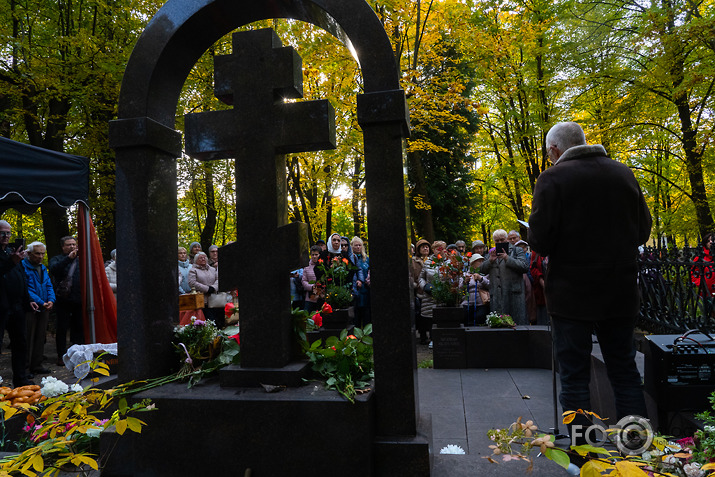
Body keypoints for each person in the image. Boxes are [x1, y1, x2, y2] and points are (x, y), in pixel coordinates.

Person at [528, 121, 652, 436]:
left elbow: (540, 242)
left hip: (572, 296)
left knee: (574, 377)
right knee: (625, 371)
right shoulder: (622, 173)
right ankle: (636, 450)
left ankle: (584, 455)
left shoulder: (552, 178)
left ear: (555, 150)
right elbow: (643, 230)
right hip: (620, 291)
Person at [0, 220, 33, 385]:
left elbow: (22, 278)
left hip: (17, 306)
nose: (6, 236)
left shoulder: (11, 252)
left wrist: (28, 301)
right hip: (1, 306)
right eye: (2, 233)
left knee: (20, 342)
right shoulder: (9, 257)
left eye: (8, 233)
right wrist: (11, 262)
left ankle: (21, 379)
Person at [479, 229, 529, 324]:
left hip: (514, 294)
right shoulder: (491, 254)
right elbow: (481, 270)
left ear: (507, 239)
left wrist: (507, 258)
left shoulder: (517, 250)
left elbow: (524, 267)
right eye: (497, 241)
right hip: (497, 297)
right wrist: (490, 261)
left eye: (502, 240)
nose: (500, 242)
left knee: (517, 323)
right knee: (499, 324)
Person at [49, 236, 83, 366]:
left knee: (78, 328)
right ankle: (61, 355)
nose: (72, 247)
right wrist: (69, 258)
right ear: (63, 247)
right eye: (69, 245)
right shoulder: (57, 259)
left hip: (78, 299)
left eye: (74, 244)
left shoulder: (81, 260)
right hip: (63, 300)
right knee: (62, 328)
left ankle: (77, 354)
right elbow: (54, 270)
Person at [23, 242, 55, 376]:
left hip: (44, 307)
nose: (41, 256)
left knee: (40, 336)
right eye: (37, 253)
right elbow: (26, 289)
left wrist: (51, 300)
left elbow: (49, 285)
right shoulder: (23, 267)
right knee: (28, 337)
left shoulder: (42, 268)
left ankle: (37, 364)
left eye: (43, 253)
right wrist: (42, 302)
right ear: (29, 254)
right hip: (30, 307)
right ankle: (25, 368)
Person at [188, 251, 222, 327]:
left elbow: (218, 279)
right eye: (201, 258)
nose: (203, 259)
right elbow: (192, 283)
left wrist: (213, 288)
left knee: (217, 320)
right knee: (208, 319)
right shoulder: (193, 270)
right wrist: (207, 289)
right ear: (196, 260)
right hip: (202, 300)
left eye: (204, 257)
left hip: (214, 299)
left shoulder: (213, 269)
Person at [411, 239, 431, 344]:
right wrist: (414, 284)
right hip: (419, 292)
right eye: (423, 246)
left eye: (427, 246)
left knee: (431, 315)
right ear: (418, 249)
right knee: (421, 316)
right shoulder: (413, 261)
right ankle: (423, 337)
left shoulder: (433, 260)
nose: (425, 248)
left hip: (431, 292)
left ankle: (432, 336)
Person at [463, 254, 490, 325]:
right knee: (464, 316)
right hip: (467, 302)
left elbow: (489, 285)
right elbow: (460, 287)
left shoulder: (486, 274)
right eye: (479, 261)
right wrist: (465, 281)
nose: (481, 263)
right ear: (473, 263)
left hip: (481, 302)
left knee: (480, 317)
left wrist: (481, 278)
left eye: (482, 261)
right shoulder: (465, 274)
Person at [350, 236, 370, 328]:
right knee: (356, 319)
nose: (358, 247)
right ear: (352, 246)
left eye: (360, 245)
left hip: (366, 292)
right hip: (355, 292)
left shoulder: (367, 259)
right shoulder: (350, 259)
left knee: (367, 318)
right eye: (356, 245)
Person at [691, 232, 715, 300]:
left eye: (713, 240)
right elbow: (693, 274)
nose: (710, 242)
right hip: (707, 293)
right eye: (708, 241)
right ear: (705, 244)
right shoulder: (700, 258)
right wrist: (701, 284)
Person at [302, 245, 323, 313]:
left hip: (321, 297)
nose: (314, 256)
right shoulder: (307, 267)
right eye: (312, 254)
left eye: (316, 254)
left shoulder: (323, 265)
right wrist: (312, 287)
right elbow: (304, 280)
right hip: (310, 298)